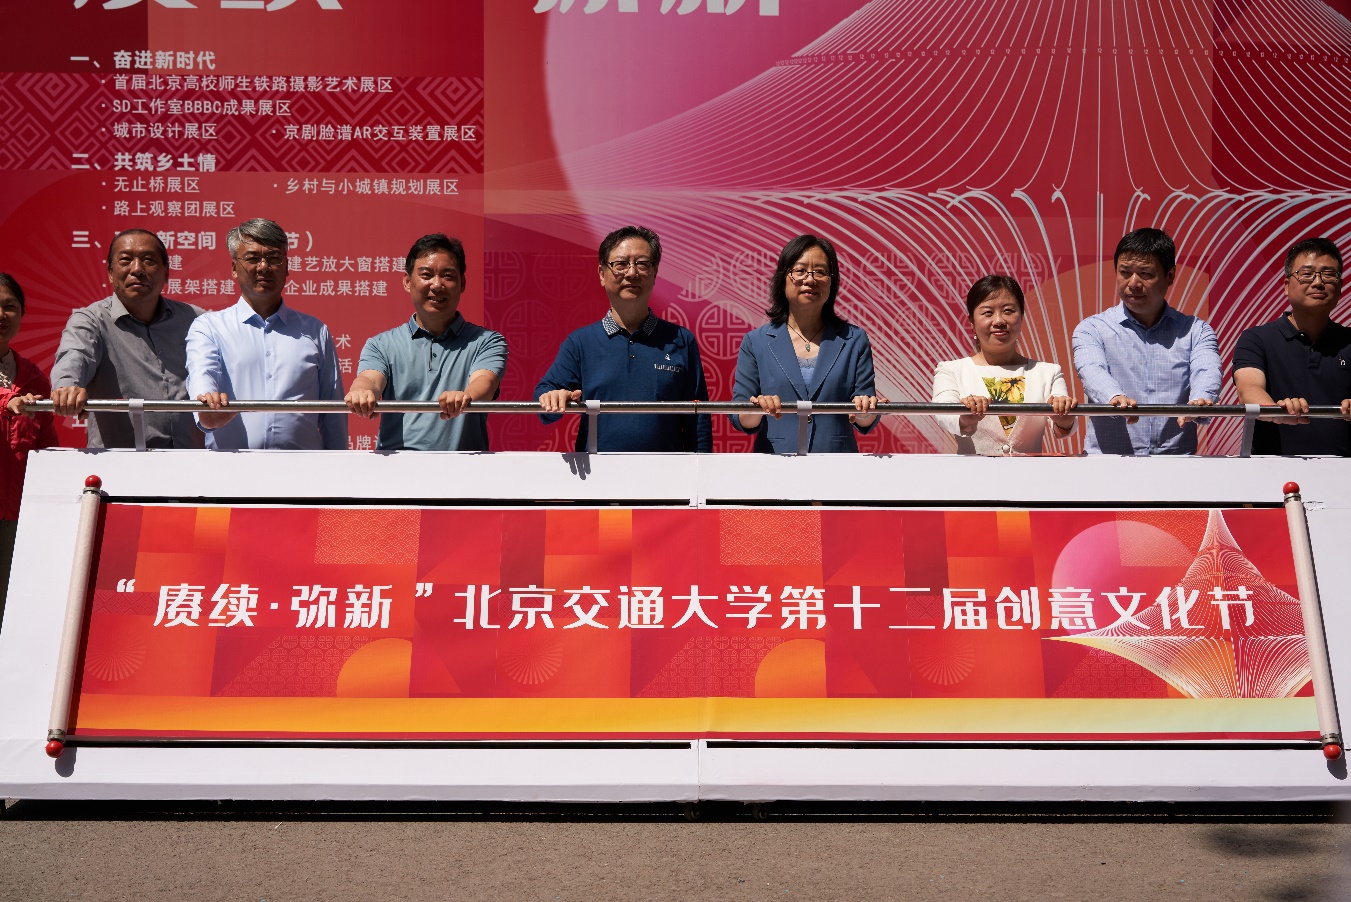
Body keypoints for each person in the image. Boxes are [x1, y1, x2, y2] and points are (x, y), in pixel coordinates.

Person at [535, 226, 711, 452]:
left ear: (655, 273)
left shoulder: (681, 340)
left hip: (666, 470)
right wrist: (553, 398)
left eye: (642, 264)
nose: (632, 273)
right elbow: (544, 402)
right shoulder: (580, 342)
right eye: (621, 264)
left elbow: (699, 420)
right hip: (598, 469)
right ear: (602, 274)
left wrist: (701, 467)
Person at [187, 218, 346, 450]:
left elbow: (334, 414)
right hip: (232, 466)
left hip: (304, 466)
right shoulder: (209, 327)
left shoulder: (315, 330)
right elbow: (202, 373)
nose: (263, 267)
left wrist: (340, 463)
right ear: (234, 268)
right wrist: (206, 405)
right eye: (252, 258)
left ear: (287, 266)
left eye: (273, 258)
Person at [344, 234, 507, 450]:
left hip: (464, 466)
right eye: (426, 275)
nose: (437, 285)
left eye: (447, 276)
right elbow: (369, 380)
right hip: (397, 466)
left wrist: (466, 397)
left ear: (462, 283)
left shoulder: (487, 341)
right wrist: (361, 391)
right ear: (407, 281)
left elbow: (485, 382)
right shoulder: (381, 344)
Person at [45, 229, 203, 448]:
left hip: (191, 459)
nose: (137, 269)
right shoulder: (92, 320)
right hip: (117, 461)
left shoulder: (196, 320)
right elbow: (75, 355)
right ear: (110, 273)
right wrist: (67, 387)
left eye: (148, 260)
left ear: (166, 272)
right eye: (125, 260)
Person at [1072, 228, 1220, 454]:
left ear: (1170, 276)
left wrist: (1200, 399)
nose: (1133, 283)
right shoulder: (1092, 329)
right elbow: (1091, 369)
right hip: (1109, 463)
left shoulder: (1195, 331)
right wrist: (1114, 397)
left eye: (1145, 273)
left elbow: (1207, 369)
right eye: (1124, 272)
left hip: (1175, 463)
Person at [730, 234, 880, 453]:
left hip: (837, 462)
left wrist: (866, 409)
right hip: (776, 463)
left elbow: (865, 417)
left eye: (820, 272)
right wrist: (759, 408)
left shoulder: (854, 340)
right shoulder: (756, 342)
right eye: (800, 271)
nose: (810, 280)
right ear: (782, 279)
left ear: (832, 282)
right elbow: (740, 417)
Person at [931, 275, 1077, 455]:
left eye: (1008, 311)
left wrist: (1064, 417)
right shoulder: (951, 371)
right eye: (988, 313)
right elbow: (943, 412)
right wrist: (964, 417)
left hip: (1031, 472)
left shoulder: (1048, 372)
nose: (999, 321)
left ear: (1021, 317)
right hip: (971, 472)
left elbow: (1063, 427)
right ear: (972, 322)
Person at [1233, 238, 1351, 455]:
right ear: (1286, 286)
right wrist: (1278, 411)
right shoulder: (1256, 339)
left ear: (1340, 288)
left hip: (1344, 469)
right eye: (1307, 274)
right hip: (1272, 467)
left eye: (1328, 275)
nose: (1318, 282)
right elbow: (1248, 390)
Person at [1, 275, 59, 615]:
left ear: (22, 314)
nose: (1, 315)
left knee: (11, 608)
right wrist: (6, 402)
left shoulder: (32, 376)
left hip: (19, 515)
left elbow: (46, 446)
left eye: (9, 306)